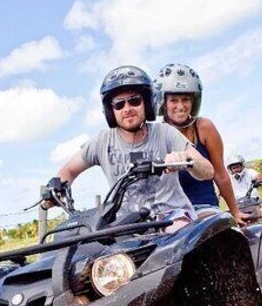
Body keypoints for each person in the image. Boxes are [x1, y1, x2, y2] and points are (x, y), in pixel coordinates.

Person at [50, 65, 213, 232]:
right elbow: (68, 171)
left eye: (134, 100)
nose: (127, 109)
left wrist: (188, 161)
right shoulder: (102, 142)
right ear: (110, 111)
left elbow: (208, 170)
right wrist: (55, 191)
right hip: (127, 225)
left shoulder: (165, 133)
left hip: (171, 217)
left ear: (147, 103)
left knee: (176, 238)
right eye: (119, 104)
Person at [153, 63, 245, 226]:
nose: (180, 107)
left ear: (193, 102)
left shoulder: (204, 127)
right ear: (163, 103)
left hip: (203, 207)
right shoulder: (157, 133)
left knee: (211, 234)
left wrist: (235, 211)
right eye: (173, 100)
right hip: (169, 213)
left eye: (185, 100)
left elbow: (220, 173)